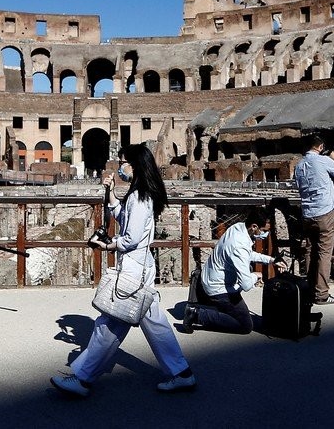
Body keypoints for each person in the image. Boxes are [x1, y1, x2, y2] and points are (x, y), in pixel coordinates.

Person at [51, 143, 196, 397]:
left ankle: (83, 378)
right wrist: (110, 192)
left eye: (123, 162)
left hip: (133, 269)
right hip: (139, 269)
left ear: (135, 164)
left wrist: (107, 244)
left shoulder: (141, 197)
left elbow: (131, 238)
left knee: (107, 324)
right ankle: (181, 373)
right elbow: (121, 216)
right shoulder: (138, 194)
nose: (120, 166)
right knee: (155, 323)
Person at [181, 207, 285, 334]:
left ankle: (212, 306)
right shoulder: (239, 245)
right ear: (254, 226)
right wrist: (256, 276)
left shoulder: (237, 228)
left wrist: (271, 260)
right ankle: (196, 315)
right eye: (263, 230)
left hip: (208, 277)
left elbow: (247, 254)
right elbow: (246, 284)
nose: (265, 234)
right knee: (245, 325)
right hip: (218, 288)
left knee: (246, 272)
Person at [293, 134, 334, 306]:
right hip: (325, 212)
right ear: (321, 146)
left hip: (307, 213)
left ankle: (310, 291)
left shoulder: (299, 165)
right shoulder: (323, 161)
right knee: (324, 253)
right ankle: (321, 294)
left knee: (310, 250)